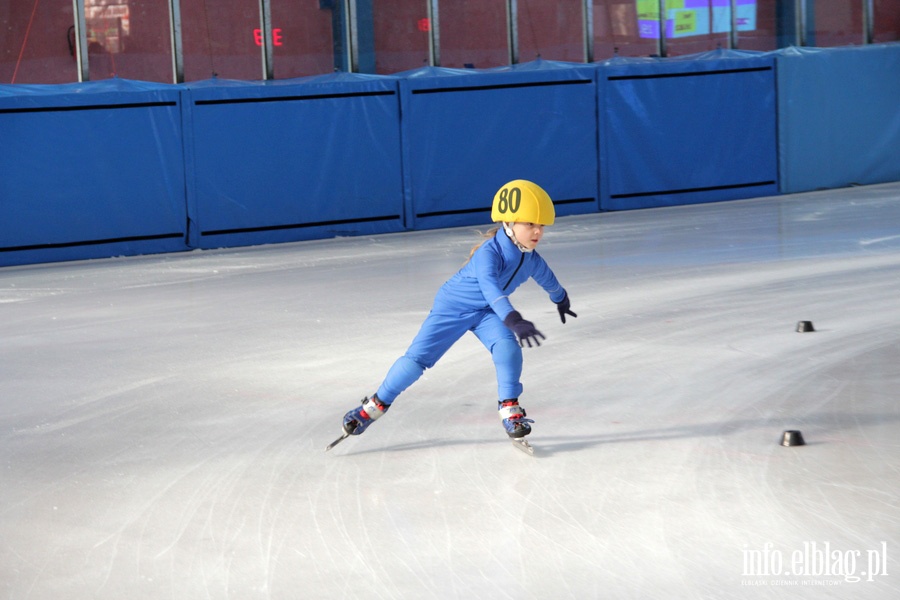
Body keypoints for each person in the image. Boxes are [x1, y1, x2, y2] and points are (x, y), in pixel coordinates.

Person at [340, 179, 577, 442]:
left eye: (541, 225)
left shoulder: (530, 258)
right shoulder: (489, 253)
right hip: (453, 307)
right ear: (508, 224)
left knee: (508, 348)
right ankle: (370, 409)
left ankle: (510, 409)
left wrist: (561, 299)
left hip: (487, 312)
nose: (537, 232)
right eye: (530, 224)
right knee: (417, 361)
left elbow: (548, 278)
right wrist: (513, 318)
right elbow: (490, 288)